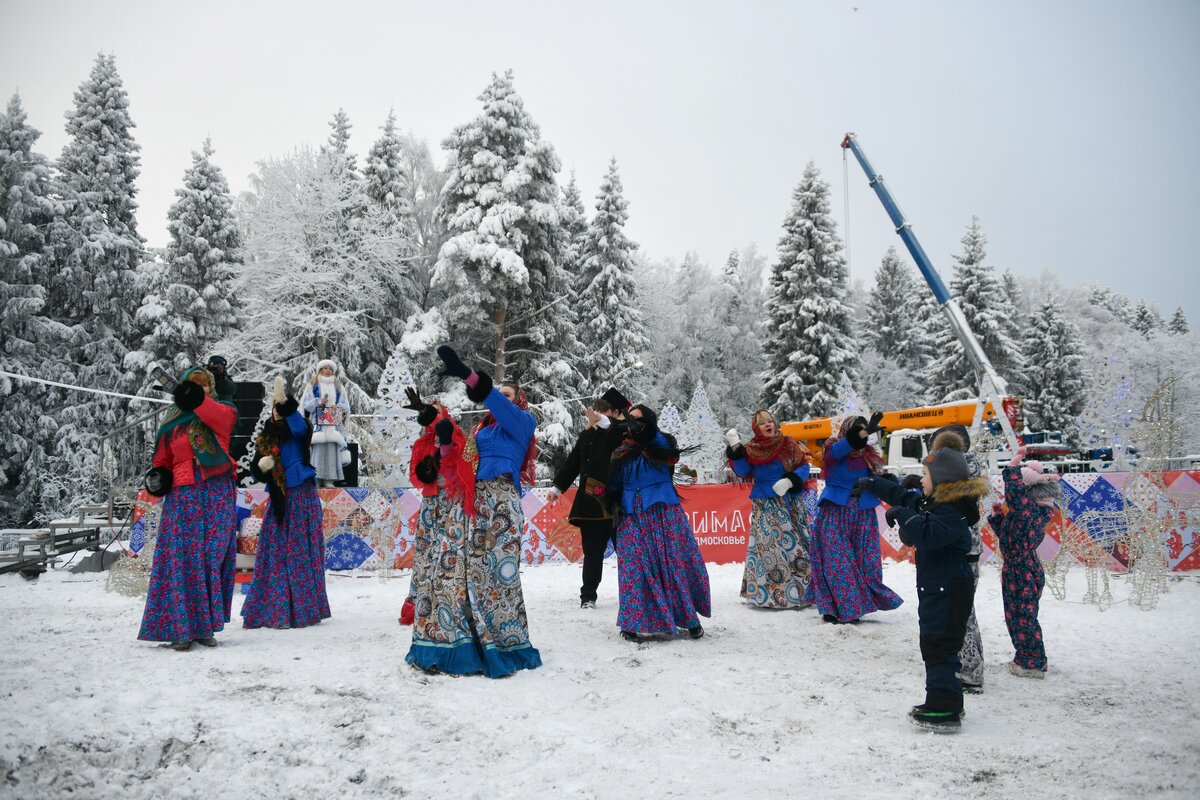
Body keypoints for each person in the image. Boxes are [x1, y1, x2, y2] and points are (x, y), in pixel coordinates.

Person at [853, 447, 990, 732]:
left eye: (925, 474)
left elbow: (927, 534)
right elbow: (906, 497)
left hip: (947, 589)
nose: (921, 479)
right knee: (935, 643)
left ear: (941, 479)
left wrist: (904, 516)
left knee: (939, 644)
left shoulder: (952, 510)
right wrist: (873, 484)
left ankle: (943, 708)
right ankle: (948, 701)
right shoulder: (939, 503)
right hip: (939, 587)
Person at [426, 345, 542, 676]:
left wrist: (468, 374)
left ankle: (505, 643)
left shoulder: (523, 422)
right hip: (472, 501)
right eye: (499, 393)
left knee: (498, 574)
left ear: (518, 401)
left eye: (508, 394)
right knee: (460, 572)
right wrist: (445, 442)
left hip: (502, 502)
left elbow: (496, 402)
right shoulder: (480, 431)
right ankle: (465, 642)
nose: (501, 398)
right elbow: (458, 466)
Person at [138, 367, 239, 650]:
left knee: (211, 556)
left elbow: (219, 419)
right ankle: (182, 628)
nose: (202, 388)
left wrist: (193, 397)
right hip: (183, 493)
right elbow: (162, 458)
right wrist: (158, 477)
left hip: (216, 490)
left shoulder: (223, 410)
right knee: (183, 558)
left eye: (205, 384)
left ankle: (205, 626)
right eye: (195, 384)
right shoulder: (172, 421)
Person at [609, 404, 712, 642]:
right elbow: (613, 481)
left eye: (639, 419)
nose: (634, 423)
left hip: (663, 511)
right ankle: (632, 622)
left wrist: (645, 431)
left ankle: (689, 619)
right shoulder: (621, 449)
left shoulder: (662, 442)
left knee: (674, 564)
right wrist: (612, 501)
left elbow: (665, 451)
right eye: (631, 420)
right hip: (631, 514)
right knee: (634, 569)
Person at [241, 378, 331, 630]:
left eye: (280, 409)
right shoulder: (266, 436)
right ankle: (274, 608)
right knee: (275, 553)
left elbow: (300, 427)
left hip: (301, 494)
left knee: (301, 551)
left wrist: (285, 402)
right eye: (274, 408)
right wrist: (262, 467)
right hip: (279, 500)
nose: (277, 413)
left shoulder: (299, 428)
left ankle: (303, 609)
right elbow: (257, 469)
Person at [804, 414, 903, 623]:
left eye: (864, 429)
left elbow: (876, 477)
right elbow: (840, 450)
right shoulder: (832, 448)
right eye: (858, 430)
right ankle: (835, 607)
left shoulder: (868, 455)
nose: (862, 434)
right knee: (836, 561)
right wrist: (862, 432)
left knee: (865, 562)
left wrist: (887, 483)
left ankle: (856, 605)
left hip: (863, 512)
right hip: (835, 511)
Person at [548, 390, 628, 609]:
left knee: (628, 553)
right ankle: (588, 596)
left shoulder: (625, 430)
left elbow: (615, 430)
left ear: (616, 412)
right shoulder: (588, 434)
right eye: (597, 410)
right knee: (592, 553)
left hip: (619, 502)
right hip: (591, 503)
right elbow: (573, 462)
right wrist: (557, 487)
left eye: (604, 410)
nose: (598, 414)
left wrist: (602, 420)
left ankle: (634, 594)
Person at [726, 409, 813, 609]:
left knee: (796, 546)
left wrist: (790, 480)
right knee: (769, 548)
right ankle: (775, 595)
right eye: (762, 423)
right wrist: (736, 448)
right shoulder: (752, 449)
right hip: (765, 502)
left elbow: (804, 466)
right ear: (756, 428)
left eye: (769, 421)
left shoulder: (788, 443)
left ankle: (805, 591)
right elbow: (743, 471)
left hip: (790, 501)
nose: (767, 424)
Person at [927, 425, 989, 693]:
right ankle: (971, 666)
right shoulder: (970, 468)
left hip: (960, 550)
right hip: (970, 547)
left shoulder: (955, 473)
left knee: (960, 615)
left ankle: (969, 672)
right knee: (966, 612)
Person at [989, 448, 1060, 680]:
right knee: (1016, 615)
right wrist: (999, 518)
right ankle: (1026, 657)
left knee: (1023, 617)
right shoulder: (1029, 514)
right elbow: (1012, 537)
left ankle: (1033, 662)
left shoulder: (1029, 511)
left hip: (1022, 570)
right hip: (1020, 568)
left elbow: (1016, 495)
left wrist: (1012, 469)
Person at [399, 387, 449, 626]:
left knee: (448, 551)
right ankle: (418, 602)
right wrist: (425, 474)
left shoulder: (453, 435)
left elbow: (444, 427)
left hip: (452, 502)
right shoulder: (422, 443)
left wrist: (428, 412)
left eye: (436, 412)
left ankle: (446, 601)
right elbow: (414, 478)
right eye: (430, 412)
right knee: (424, 552)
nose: (433, 416)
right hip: (431, 502)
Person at [302, 359, 351, 487]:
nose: (328, 371)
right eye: (325, 368)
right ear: (320, 370)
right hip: (318, 425)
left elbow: (346, 406)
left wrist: (338, 407)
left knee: (331, 451)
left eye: (330, 369)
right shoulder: (313, 386)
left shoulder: (339, 387)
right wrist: (319, 402)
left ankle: (329, 479)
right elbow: (306, 405)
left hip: (333, 423)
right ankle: (317, 479)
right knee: (317, 451)